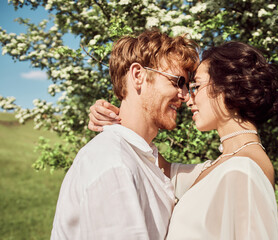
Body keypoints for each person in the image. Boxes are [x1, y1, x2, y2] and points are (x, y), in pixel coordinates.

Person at [89, 41, 278, 239]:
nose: (188, 98)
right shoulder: (223, 167)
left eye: (196, 86)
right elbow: (155, 165)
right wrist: (115, 118)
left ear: (229, 85)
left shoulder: (243, 171)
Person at [51, 30, 199, 240]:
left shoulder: (141, 159)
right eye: (177, 82)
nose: (185, 95)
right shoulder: (114, 164)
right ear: (138, 75)